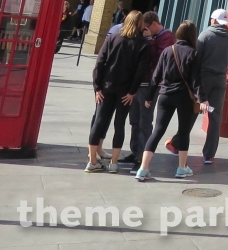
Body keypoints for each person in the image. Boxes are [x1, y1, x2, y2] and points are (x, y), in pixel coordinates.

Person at [137, 21, 205, 181]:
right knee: (183, 131)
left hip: (165, 95)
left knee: (158, 131)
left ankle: (143, 168)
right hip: (184, 98)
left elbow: (156, 75)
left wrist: (149, 96)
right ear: (192, 35)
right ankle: (181, 168)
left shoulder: (168, 51)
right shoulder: (193, 53)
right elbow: (197, 80)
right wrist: (203, 99)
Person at [86, 10, 149, 173]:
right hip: (125, 92)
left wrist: (97, 87)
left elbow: (100, 63)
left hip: (106, 88)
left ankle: (92, 161)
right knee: (119, 124)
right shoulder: (143, 43)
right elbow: (140, 72)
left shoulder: (112, 38)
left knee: (99, 121)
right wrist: (132, 92)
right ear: (140, 23)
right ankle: (114, 162)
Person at [122, 11, 174, 167]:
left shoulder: (167, 37)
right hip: (137, 84)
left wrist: (150, 41)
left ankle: (142, 157)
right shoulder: (148, 36)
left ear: (153, 24)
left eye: (145, 27)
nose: (143, 30)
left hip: (151, 85)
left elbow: (159, 59)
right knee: (134, 121)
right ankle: (134, 151)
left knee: (145, 121)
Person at [193, 8, 228, 164]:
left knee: (194, 110)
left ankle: (179, 144)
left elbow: (196, 59)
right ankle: (209, 154)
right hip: (220, 79)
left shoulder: (205, 36)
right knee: (215, 116)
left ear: (213, 20)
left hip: (204, 78)